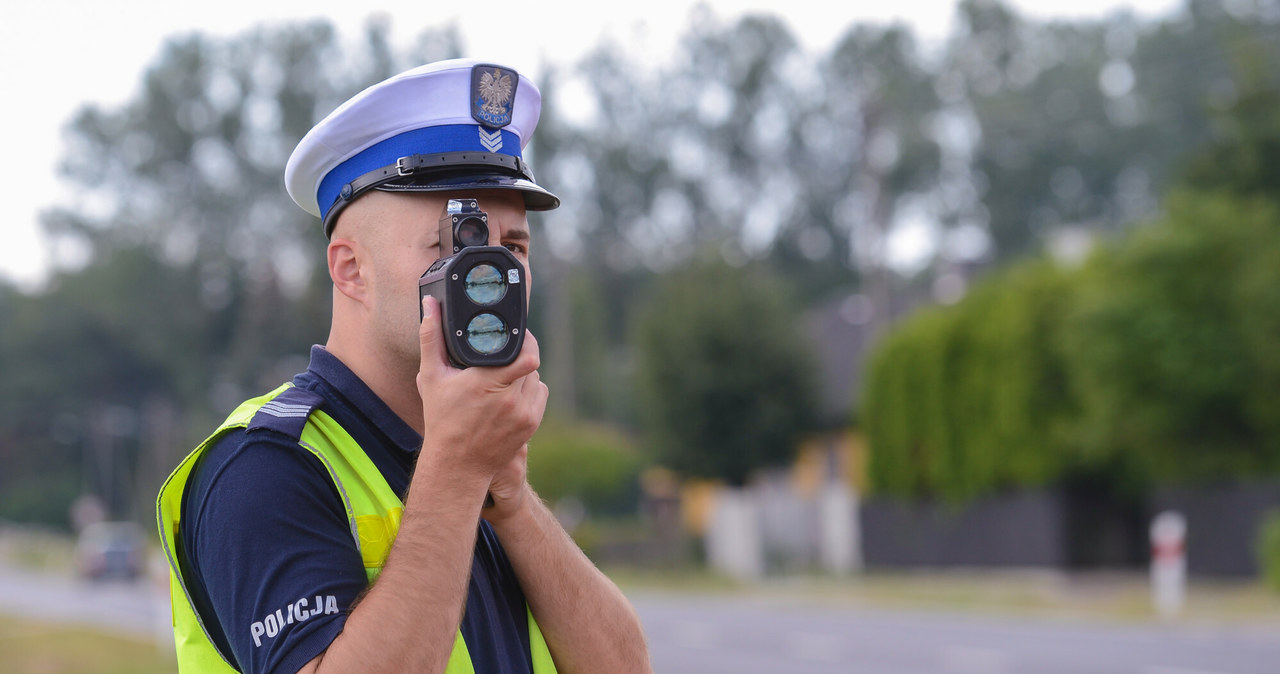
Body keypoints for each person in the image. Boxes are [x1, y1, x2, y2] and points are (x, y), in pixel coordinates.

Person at [156, 58, 652, 674]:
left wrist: (513, 499)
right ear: (350, 270)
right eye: (456, 243)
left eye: (514, 246)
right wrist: (458, 473)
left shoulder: (479, 462)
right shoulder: (261, 467)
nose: (491, 271)